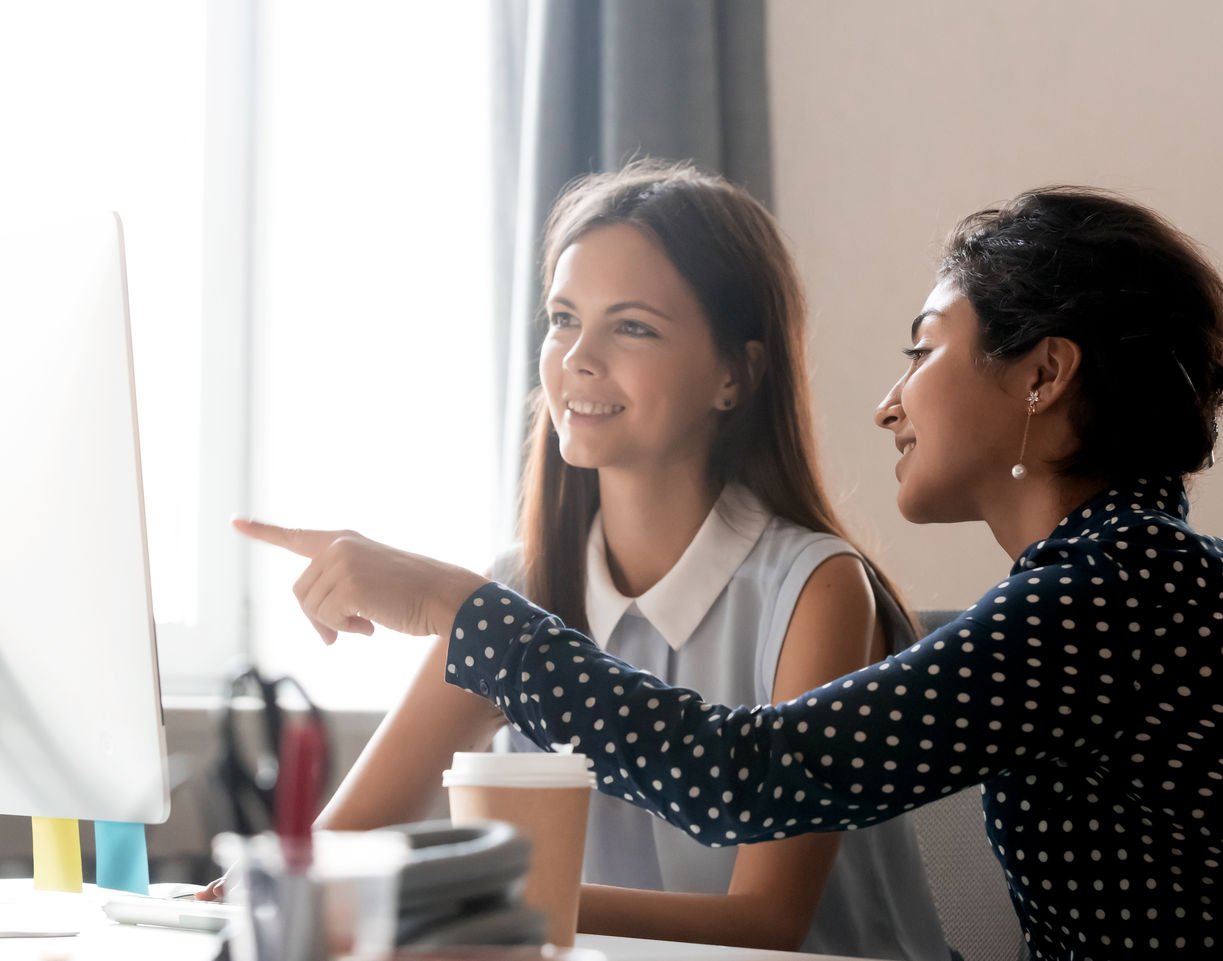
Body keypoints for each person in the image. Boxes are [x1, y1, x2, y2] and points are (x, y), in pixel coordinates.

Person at [239, 185, 1223, 959]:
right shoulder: (1114, 579)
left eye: (924, 348)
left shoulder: (1125, 587)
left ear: (1044, 374)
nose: (891, 399)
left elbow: (749, 777)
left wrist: (456, 609)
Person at [214, 160, 950, 960]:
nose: (578, 358)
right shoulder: (520, 590)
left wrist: (479, 897)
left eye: (631, 326)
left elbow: (766, 920)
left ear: (735, 374)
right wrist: (253, 893)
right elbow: (336, 847)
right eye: (564, 318)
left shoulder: (815, 589)